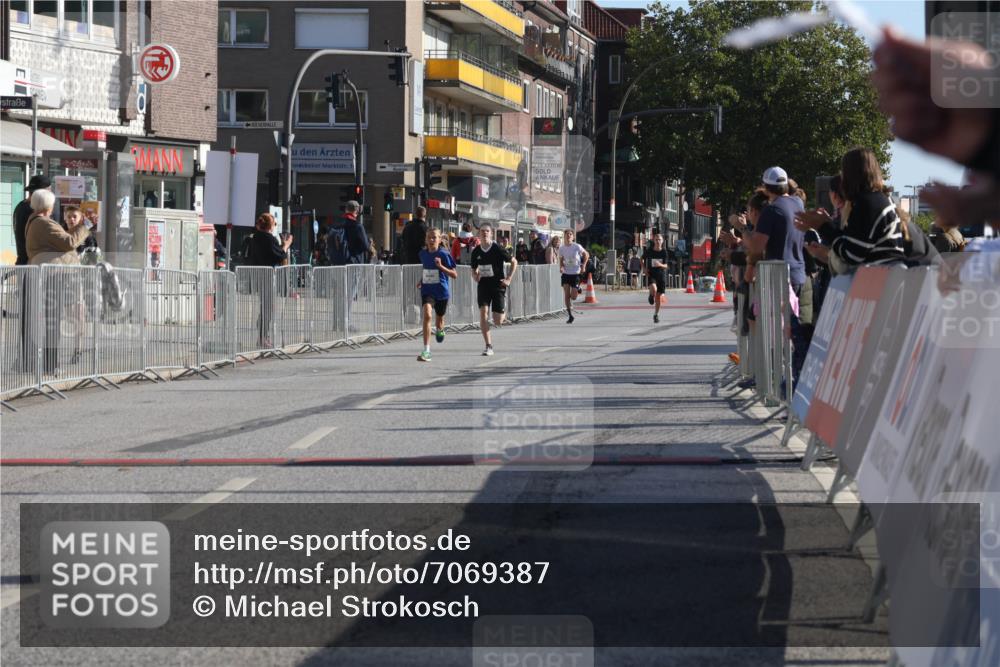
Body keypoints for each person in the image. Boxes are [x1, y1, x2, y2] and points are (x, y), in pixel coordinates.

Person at [795, 148, 905, 270]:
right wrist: (828, 226)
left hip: (878, 281)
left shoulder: (867, 203)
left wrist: (823, 227)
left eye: (844, 171)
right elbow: (855, 243)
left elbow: (851, 255)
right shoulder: (879, 199)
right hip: (885, 278)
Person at [25, 188, 91, 373]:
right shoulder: (45, 223)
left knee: (52, 321)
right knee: (53, 322)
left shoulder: (36, 221)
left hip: (50, 274)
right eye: (53, 204)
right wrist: (84, 225)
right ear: (48, 206)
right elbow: (69, 242)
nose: (54, 207)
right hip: (53, 276)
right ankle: (51, 365)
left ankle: (49, 364)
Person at [246, 213, 291, 347]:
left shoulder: (255, 237)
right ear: (270, 225)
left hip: (257, 276)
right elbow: (279, 255)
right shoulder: (268, 238)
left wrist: (281, 245)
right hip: (267, 276)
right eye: (274, 224)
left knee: (264, 307)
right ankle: (262, 337)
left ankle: (262, 336)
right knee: (268, 308)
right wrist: (287, 244)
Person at [471, 223, 516, 356]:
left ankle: (502, 310)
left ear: (491, 233)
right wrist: (475, 275)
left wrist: (508, 278)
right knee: (483, 312)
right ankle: (488, 346)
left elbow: (514, 262)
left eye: (487, 231)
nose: (484, 233)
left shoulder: (497, 248)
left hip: (498, 286)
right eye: (482, 231)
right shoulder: (476, 251)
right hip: (484, 285)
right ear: (479, 234)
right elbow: (474, 269)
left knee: (497, 321)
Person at [416, 228, 457, 362]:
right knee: (427, 314)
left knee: (439, 321)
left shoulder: (444, 254)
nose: (432, 240)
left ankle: (440, 329)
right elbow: (427, 270)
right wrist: (422, 280)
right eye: (429, 237)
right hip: (427, 290)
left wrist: (441, 267)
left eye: (434, 237)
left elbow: (454, 274)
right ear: (426, 240)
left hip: (441, 291)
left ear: (440, 240)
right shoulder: (422, 254)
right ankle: (426, 350)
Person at [14, 175, 51, 266]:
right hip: (32, 262)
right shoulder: (33, 210)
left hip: (23, 259)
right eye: (49, 191)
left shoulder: (21, 206)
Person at [558, 229, 589, 324]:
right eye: (567, 234)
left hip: (575, 273)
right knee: (567, 295)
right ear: (564, 236)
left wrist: (583, 265)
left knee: (574, 297)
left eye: (570, 234)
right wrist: (561, 267)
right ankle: (570, 315)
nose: (568, 236)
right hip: (566, 273)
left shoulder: (577, 246)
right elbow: (561, 259)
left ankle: (577, 288)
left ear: (573, 237)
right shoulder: (562, 248)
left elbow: (586, 254)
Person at [645, 230, 669, 323]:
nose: (658, 241)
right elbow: (642, 259)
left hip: (661, 276)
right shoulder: (649, 251)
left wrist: (660, 264)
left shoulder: (664, 252)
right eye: (656, 239)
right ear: (654, 240)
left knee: (658, 297)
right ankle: (651, 295)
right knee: (654, 289)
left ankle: (656, 314)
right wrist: (644, 269)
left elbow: (666, 265)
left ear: (662, 241)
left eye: (659, 239)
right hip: (652, 274)